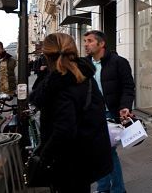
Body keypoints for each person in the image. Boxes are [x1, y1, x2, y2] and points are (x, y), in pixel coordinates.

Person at [29, 33, 112, 192]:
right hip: (84, 156)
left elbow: (64, 129)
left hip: (68, 161)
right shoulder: (83, 75)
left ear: (46, 55)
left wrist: (45, 156)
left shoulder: (60, 83)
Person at [83, 30, 135, 193]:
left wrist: (125, 106)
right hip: (93, 116)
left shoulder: (119, 62)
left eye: (90, 41)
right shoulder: (84, 64)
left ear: (101, 44)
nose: (86, 44)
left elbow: (128, 87)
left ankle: (115, 189)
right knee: (100, 153)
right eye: (85, 41)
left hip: (111, 115)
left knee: (107, 152)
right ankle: (105, 188)